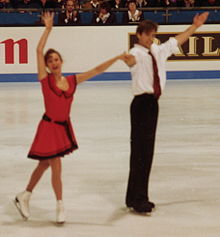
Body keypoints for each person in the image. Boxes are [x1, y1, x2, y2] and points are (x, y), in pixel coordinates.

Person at [14, 12, 126, 224]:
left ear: (61, 61)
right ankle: (60, 205)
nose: (53, 62)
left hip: (62, 128)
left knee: (44, 165)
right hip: (48, 127)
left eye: (56, 59)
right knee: (55, 165)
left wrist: (117, 57)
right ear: (47, 65)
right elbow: (38, 50)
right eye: (50, 61)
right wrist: (48, 29)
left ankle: (25, 195)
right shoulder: (45, 80)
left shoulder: (73, 81)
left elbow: (96, 69)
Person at [123, 12, 209, 214]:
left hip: (152, 105)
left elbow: (177, 40)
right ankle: (139, 199)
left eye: (153, 35)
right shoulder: (135, 53)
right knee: (141, 153)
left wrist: (195, 26)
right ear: (139, 35)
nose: (150, 38)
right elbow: (130, 61)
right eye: (147, 35)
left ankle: (132, 196)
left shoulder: (156, 50)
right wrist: (126, 60)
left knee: (145, 152)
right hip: (141, 105)